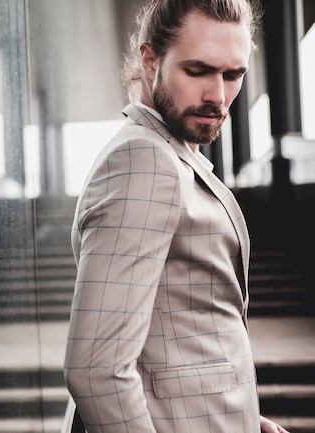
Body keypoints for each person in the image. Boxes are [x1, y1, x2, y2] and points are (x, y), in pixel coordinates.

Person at [63, 1, 289, 432]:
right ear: (151, 62)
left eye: (232, 75)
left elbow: (180, 334)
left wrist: (236, 416)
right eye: (197, 71)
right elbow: (96, 369)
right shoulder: (143, 160)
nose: (218, 96)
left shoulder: (175, 157)